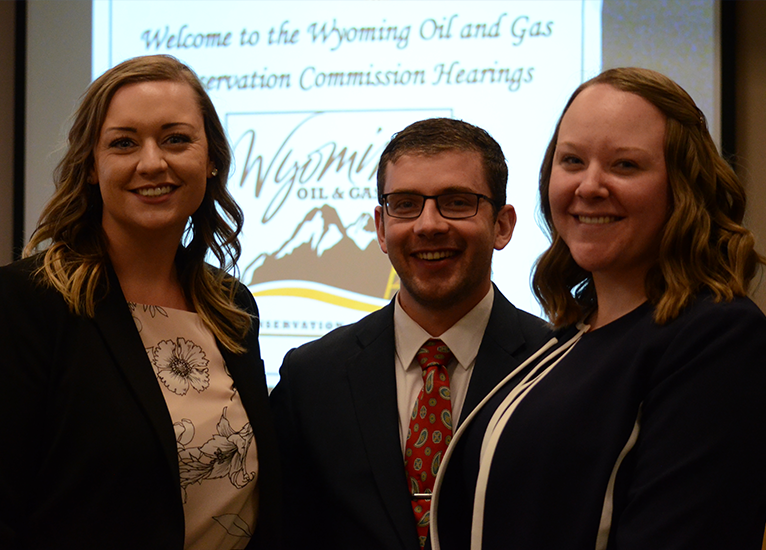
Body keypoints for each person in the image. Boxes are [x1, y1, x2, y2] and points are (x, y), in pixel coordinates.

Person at [431, 67, 766, 550]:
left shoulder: (717, 338)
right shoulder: (568, 338)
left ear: (683, 187)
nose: (589, 186)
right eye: (572, 161)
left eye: (625, 165)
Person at [0, 55, 281, 550]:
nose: (152, 162)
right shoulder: (27, 302)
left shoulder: (231, 307)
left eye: (175, 139)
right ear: (92, 168)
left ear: (210, 161)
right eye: (124, 143)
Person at [269, 117, 551, 550]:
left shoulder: (559, 365)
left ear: (502, 225)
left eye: (457, 202)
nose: (428, 225)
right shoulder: (312, 378)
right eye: (405, 204)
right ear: (381, 228)